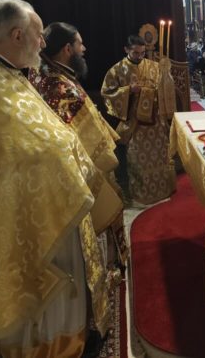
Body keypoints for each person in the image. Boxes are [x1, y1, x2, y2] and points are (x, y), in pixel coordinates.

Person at [0, 0, 112, 356]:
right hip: (26, 220)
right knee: (41, 308)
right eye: (38, 35)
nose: (42, 43)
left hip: (50, 205)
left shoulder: (7, 73)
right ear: (17, 35)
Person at [28, 22, 126, 267]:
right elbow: (95, 144)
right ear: (67, 49)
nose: (84, 48)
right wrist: (110, 151)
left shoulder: (41, 73)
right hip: (82, 173)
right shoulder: (62, 88)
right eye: (80, 44)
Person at [101, 35, 176, 206]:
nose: (140, 56)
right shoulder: (116, 70)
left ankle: (162, 190)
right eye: (136, 53)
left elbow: (164, 89)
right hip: (135, 125)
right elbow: (107, 94)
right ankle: (142, 194)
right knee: (138, 161)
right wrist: (128, 90)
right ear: (126, 50)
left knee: (160, 157)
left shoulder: (154, 66)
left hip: (155, 123)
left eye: (143, 52)